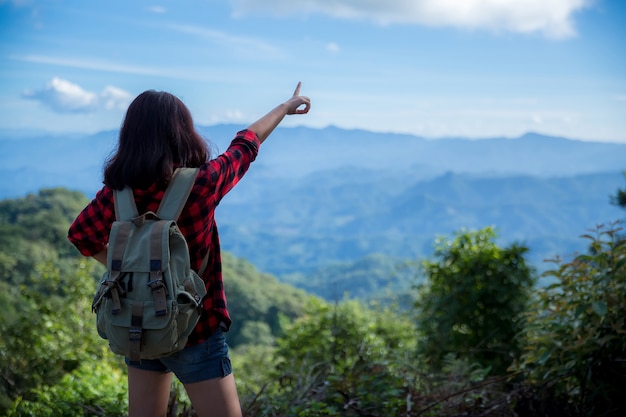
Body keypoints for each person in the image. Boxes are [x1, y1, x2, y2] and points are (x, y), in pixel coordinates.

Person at [68, 83, 311, 417]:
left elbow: (81, 236)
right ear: (182, 133)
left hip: (139, 324)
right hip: (197, 328)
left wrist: (128, 271)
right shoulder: (203, 184)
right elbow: (246, 144)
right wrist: (285, 106)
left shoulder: (117, 193)